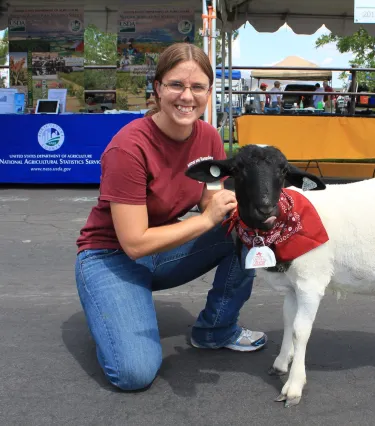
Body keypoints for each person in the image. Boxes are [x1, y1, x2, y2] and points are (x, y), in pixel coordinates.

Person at [74, 42, 266, 392]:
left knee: (245, 228)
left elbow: (211, 205)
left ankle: (215, 330)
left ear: (209, 92)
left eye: (197, 87)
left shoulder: (208, 137)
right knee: (134, 374)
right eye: (176, 85)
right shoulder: (129, 147)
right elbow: (133, 243)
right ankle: (112, 308)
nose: (186, 96)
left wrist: (252, 207)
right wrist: (208, 221)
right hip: (110, 256)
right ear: (158, 89)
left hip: (161, 249)